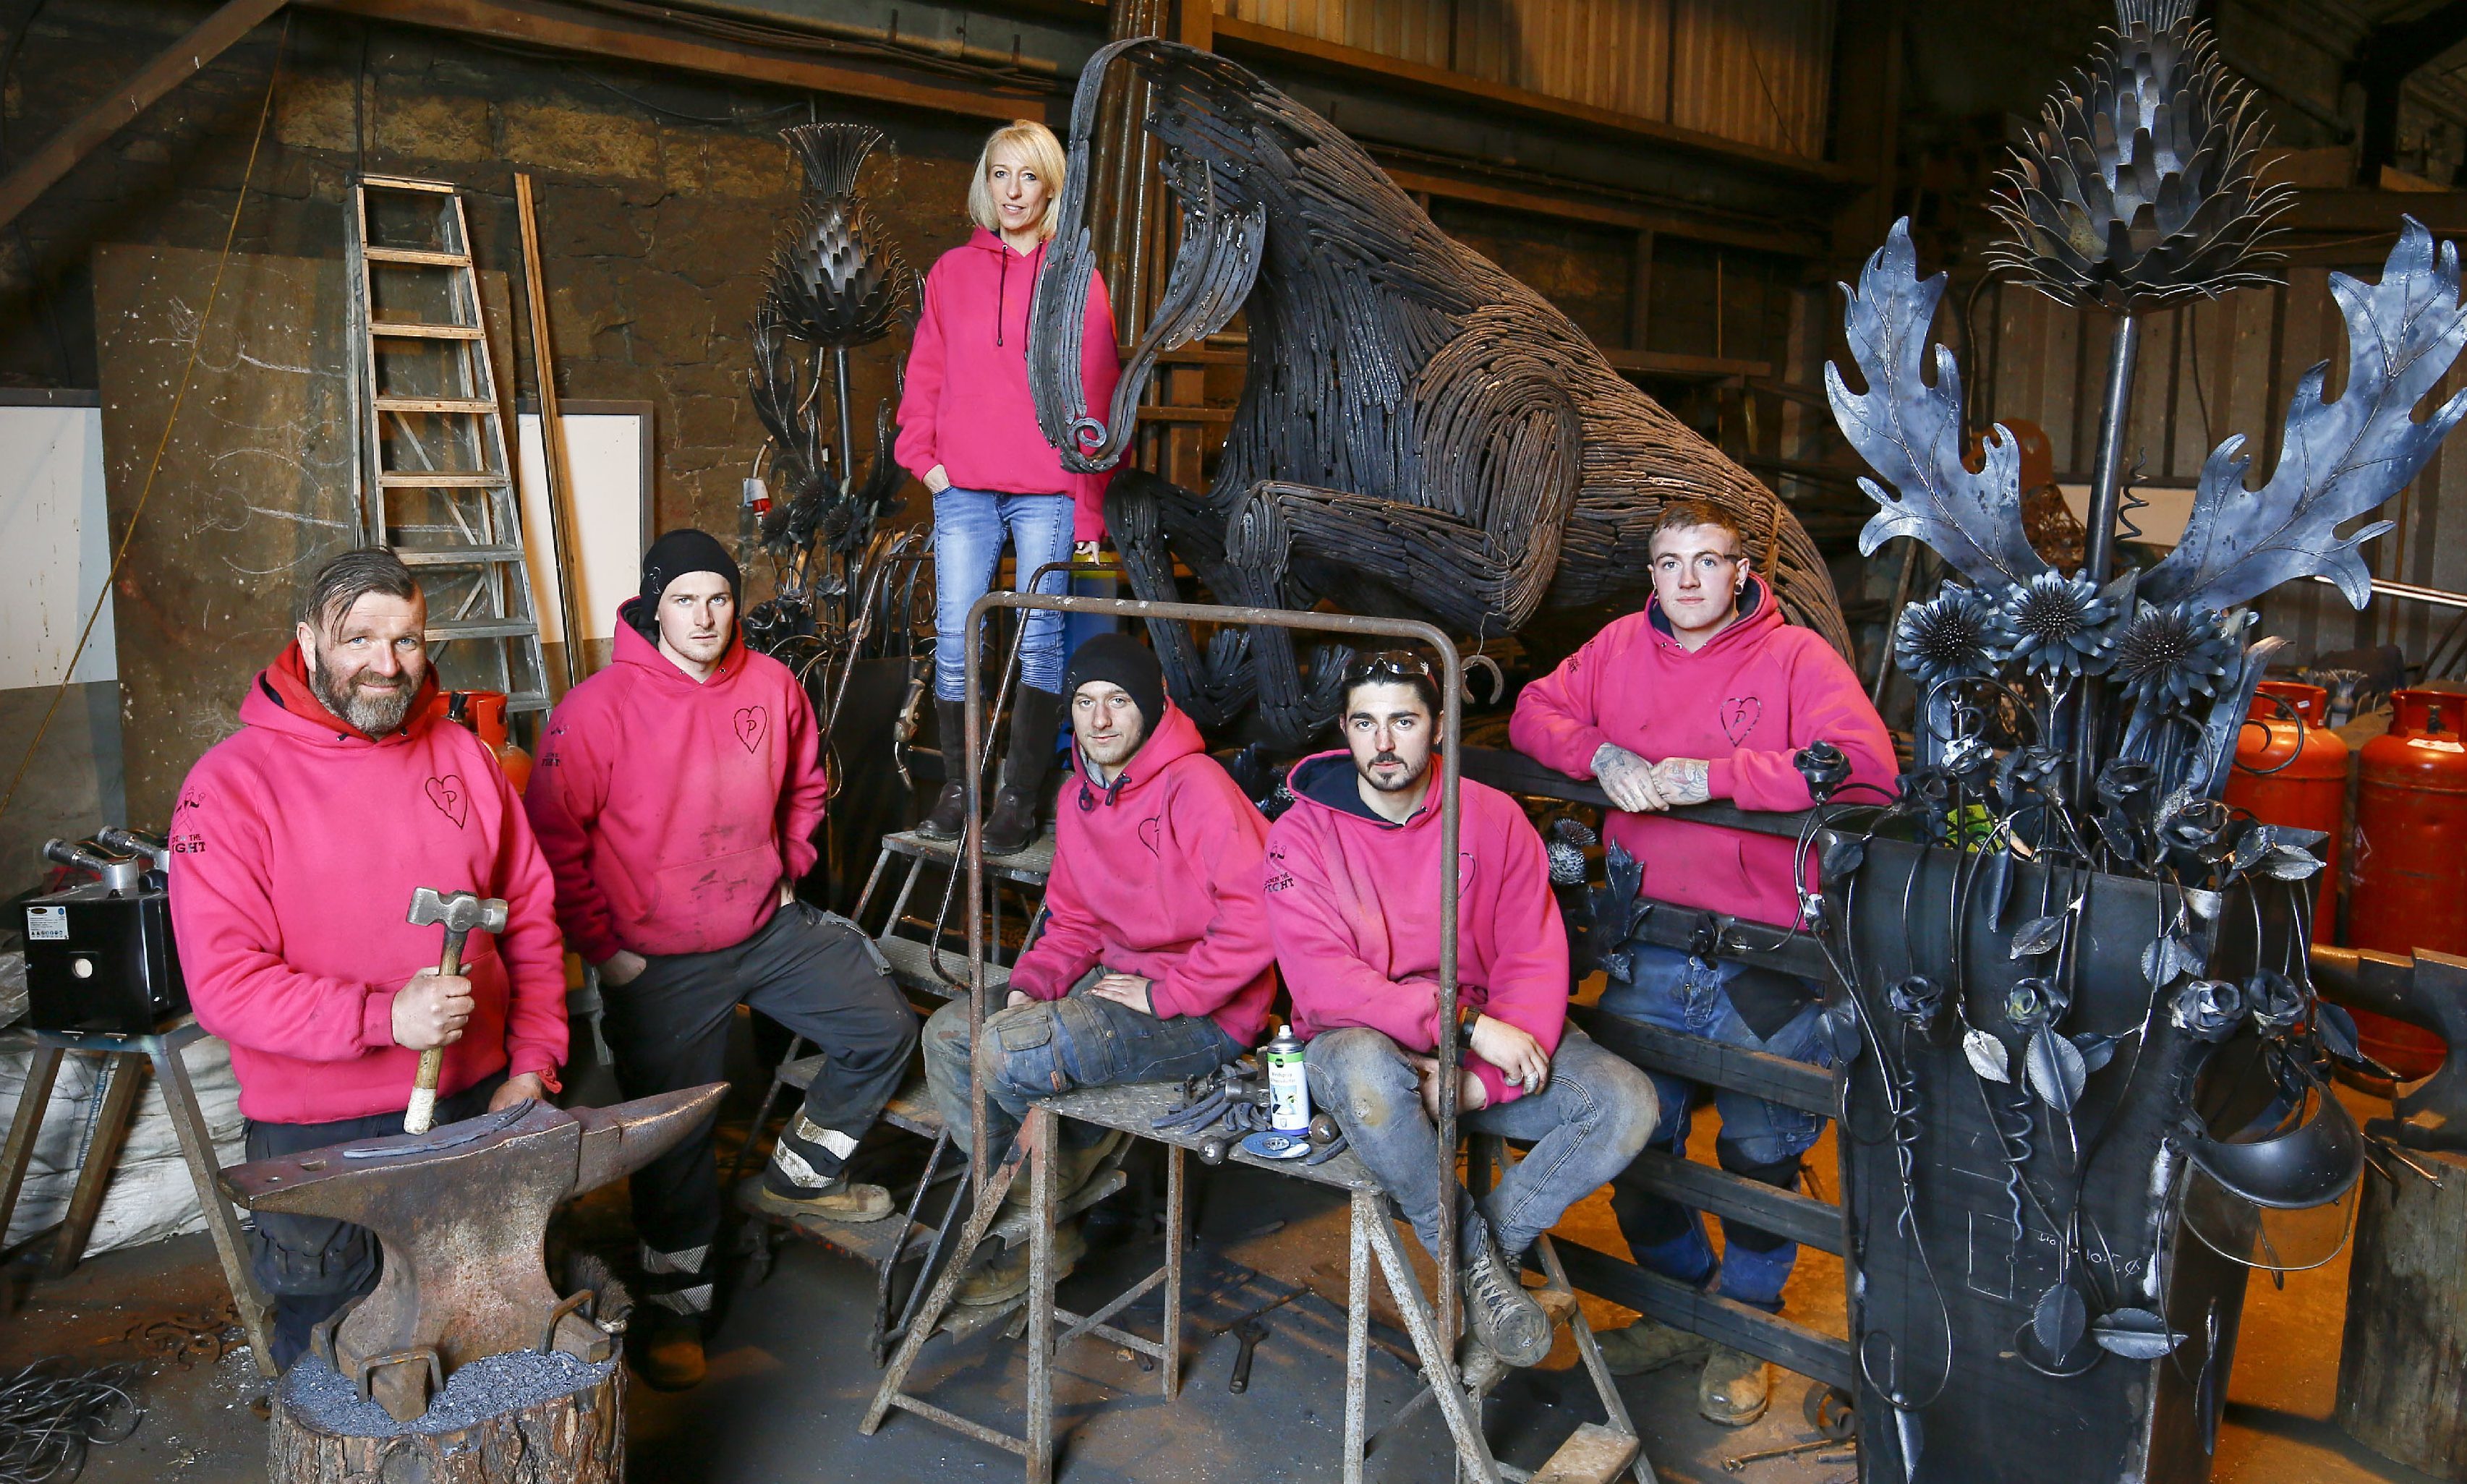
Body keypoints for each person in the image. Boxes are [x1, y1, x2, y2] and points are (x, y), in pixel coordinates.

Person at [1509, 499, 1896, 1423]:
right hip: (1647, 943)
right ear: (1651, 576)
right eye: (1671, 562)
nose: (1688, 580)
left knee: (1761, 1151)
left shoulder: (1796, 659)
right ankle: (1683, 1305)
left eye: (1708, 561)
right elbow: (1531, 713)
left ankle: (1745, 1325)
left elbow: (1869, 768)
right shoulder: (1614, 648)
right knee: (1638, 1137)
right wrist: (1597, 753)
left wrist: (1714, 776)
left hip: (1768, 962)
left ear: (1741, 574)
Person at [524, 529, 919, 1391]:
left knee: (882, 1024)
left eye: (719, 598)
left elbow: (810, 787)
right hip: (657, 959)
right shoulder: (595, 711)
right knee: (675, 1140)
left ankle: (797, 1175)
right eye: (684, 600)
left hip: (763, 929)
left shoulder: (772, 686)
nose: (705, 617)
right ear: (653, 608)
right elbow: (554, 843)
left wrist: (789, 864)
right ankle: (676, 1306)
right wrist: (607, 952)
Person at [168, 548, 568, 1372]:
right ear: (310, 642)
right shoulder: (230, 785)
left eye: (409, 642)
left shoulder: (466, 760)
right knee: (337, 1354)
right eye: (359, 640)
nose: (387, 666)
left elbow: (529, 917)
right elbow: (223, 986)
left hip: (476, 1110)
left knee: (475, 1342)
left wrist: (532, 1064)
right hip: (321, 1141)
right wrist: (383, 1016)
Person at [1264, 654, 1658, 1368]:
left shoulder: (1495, 819)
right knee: (1367, 1076)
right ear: (1345, 732)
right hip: (1366, 1044)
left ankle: (1480, 1270)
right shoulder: (1301, 836)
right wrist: (1465, 1028)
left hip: (1476, 1050)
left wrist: (1476, 1080)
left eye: (1404, 722)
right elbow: (1327, 985)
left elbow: (1532, 960)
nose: (1384, 744)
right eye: (1366, 723)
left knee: (1625, 1102)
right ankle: (1477, 1259)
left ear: (1438, 727)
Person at [921, 634, 1276, 1306]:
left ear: (1149, 708)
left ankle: (1039, 1205)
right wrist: (1031, 986)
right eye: (1085, 702)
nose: (1100, 720)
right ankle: (1044, 1225)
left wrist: (1169, 990)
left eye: (1118, 701)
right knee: (949, 1034)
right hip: (1119, 990)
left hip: (1207, 1012)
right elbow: (1074, 922)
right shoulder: (1080, 795)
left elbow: (1260, 916)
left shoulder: (1195, 786)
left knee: (1002, 1050)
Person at [898, 118, 1123, 857]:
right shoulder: (950, 273)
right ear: (984, 183)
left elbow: (1098, 394)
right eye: (1000, 174)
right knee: (957, 640)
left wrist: (1088, 504)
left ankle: (1018, 798)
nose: (1013, 191)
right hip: (962, 487)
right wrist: (920, 453)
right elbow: (927, 371)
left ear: (1051, 185)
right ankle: (961, 790)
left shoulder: (1076, 278)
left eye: (1028, 176)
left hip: (1048, 491)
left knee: (1040, 640)